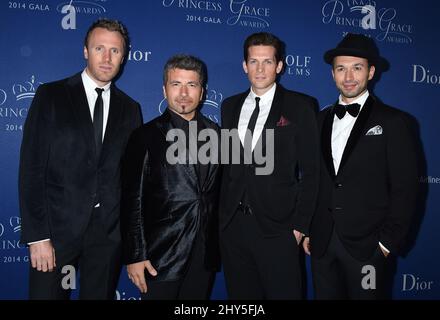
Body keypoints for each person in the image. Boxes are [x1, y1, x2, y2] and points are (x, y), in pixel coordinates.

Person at [19, 18, 142, 299]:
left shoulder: (130, 109)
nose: (107, 57)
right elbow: (31, 168)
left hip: (107, 236)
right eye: (99, 48)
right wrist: (37, 237)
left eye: (115, 51)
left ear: (124, 56)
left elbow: (132, 179)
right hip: (56, 233)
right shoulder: (51, 96)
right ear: (86, 51)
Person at [303, 33, 419, 299]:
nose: (349, 76)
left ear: (371, 72)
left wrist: (386, 243)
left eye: (357, 67)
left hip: (369, 248)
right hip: (322, 244)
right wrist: (311, 227)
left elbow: (406, 189)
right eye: (341, 68)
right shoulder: (319, 120)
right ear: (332, 74)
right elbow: (315, 179)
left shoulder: (394, 121)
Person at [219, 32, 320, 299]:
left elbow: (312, 172)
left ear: (279, 66)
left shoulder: (300, 106)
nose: (260, 69)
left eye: (267, 62)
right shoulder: (229, 106)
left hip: (279, 229)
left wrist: (300, 226)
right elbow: (229, 166)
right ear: (244, 66)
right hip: (233, 229)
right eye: (254, 61)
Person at [121, 54, 221, 300]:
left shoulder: (218, 134)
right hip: (161, 254)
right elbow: (132, 200)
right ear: (165, 90)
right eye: (176, 84)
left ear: (202, 91)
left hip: (203, 252)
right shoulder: (145, 136)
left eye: (192, 85)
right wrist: (136, 255)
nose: (184, 93)